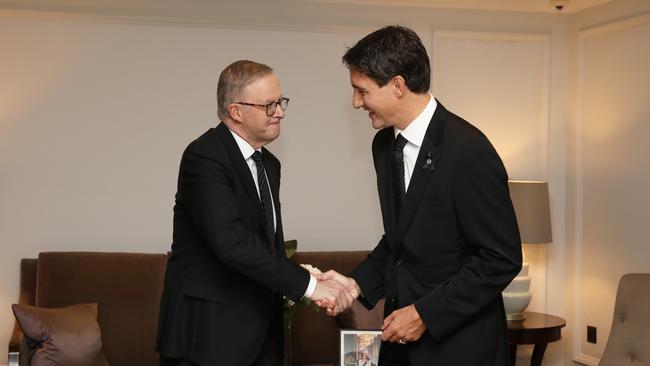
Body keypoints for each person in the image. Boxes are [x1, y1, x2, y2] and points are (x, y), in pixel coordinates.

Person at [318, 26, 522, 365]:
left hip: (460, 347)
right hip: (400, 345)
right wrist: (356, 284)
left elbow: (500, 258)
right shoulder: (384, 145)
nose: (356, 103)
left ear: (397, 85)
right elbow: (401, 240)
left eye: (361, 91)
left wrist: (426, 313)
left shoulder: (468, 151)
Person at [156, 60, 354, 366]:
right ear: (236, 111)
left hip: (261, 334)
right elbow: (230, 241)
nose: (281, 112)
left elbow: (264, 245)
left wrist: (304, 277)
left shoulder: (269, 164)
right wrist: (310, 287)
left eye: (280, 101)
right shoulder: (205, 156)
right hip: (208, 337)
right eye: (269, 105)